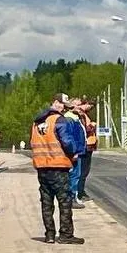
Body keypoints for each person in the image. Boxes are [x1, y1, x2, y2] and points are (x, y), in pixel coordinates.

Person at [31, 94, 85, 244]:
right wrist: (74, 152)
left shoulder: (37, 122)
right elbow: (67, 141)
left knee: (46, 201)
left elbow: (33, 143)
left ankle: (49, 235)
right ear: (54, 102)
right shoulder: (59, 120)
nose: (63, 107)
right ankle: (66, 235)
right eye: (61, 104)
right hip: (58, 167)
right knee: (64, 201)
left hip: (42, 167)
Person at [62, 98, 87, 208]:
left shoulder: (75, 118)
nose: (80, 107)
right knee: (74, 176)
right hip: (75, 153)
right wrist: (74, 152)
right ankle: (71, 199)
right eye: (78, 105)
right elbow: (70, 137)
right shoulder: (69, 118)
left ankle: (74, 197)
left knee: (76, 175)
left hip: (79, 151)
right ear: (71, 107)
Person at [75, 98, 98, 203]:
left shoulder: (83, 114)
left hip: (88, 146)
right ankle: (80, 193)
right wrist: (92, 126)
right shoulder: (81, 115)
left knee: (84, 172)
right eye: (89, 105)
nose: (90, 108)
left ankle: (81, 192)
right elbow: (84, 130)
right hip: (86, 146)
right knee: (83, 172)